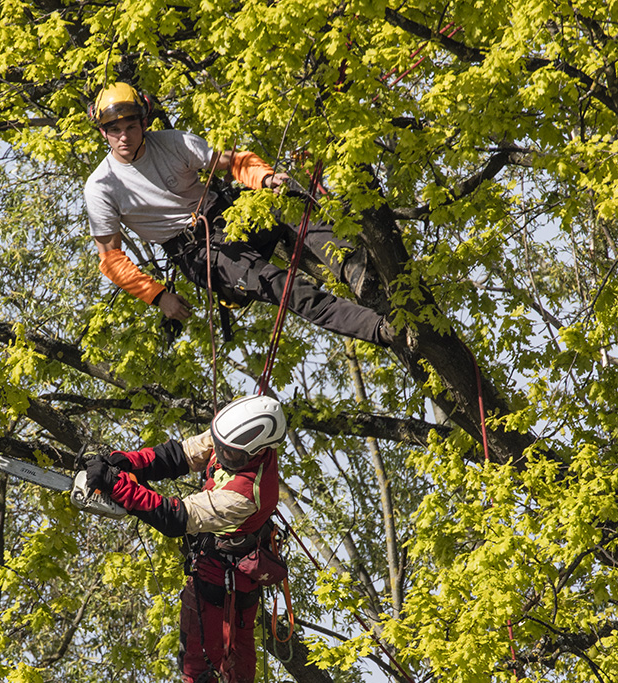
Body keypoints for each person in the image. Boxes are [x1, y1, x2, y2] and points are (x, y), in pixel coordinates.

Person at [83, 82, 392, 346]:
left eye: (131, 127)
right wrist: (158, 296)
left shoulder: (173, 143)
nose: (124, 137)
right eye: (114, 130)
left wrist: (266, 179)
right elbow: (111, 260)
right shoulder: (102, 187)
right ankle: (377, 329)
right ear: (103, 132)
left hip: (228, 217)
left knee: (288, 200)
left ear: (144, 123)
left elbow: (233, 161)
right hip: (200, 253)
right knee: (285, 288)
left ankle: (353, 267)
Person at [86, 394, 287, 683]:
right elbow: (180, 455)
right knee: (201, 661)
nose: (222, 456)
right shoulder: (231, 435)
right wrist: (126, 462)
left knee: (216, 667)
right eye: (222, 449)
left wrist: (116, 485)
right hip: (217, 566)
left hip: (224, 579)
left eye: (230, 456)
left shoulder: (245, 495)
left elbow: (175, 517)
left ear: (258, 452)